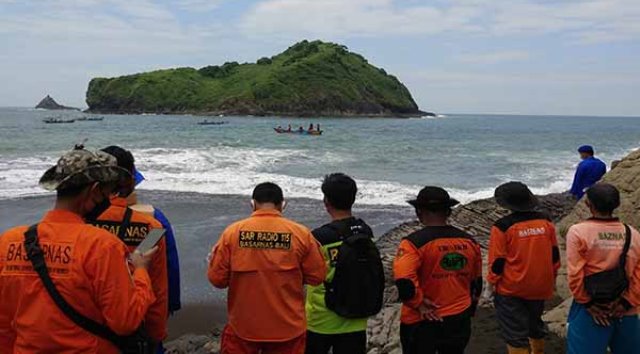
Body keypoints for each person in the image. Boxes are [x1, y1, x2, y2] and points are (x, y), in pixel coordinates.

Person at [0, 149, 157, 353]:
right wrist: (141, 272)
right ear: (93, 191)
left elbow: (4, 323)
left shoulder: (11, 241)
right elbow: (125, 321)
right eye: (108, 192)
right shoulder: (103, 245)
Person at [208, 182, 327, 354]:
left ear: (252, 204)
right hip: (288, 328)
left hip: (244, 328)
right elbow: (317, 276)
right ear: (282, 205)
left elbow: (217, 280)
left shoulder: (232, 233)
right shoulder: (301, 234)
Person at [90, 146, 169, 348]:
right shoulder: (153, 225)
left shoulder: (79, 220)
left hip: (85, 329)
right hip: (135, 324)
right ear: (131, 178)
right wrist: (156, 333)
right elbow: (158, 285)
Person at [394, 186, 482, 354]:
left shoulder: (413, 243)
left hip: (422, 320)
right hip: (459, 317)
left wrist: (418, 304)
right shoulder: (470, 242)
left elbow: (404, 282)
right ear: (448, 212)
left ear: (418, 212)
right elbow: (476, 281)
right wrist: (470, 309)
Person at [305, 173, 378, 354]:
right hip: (356, 317)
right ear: (353, 199)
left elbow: (307, 275)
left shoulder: (319, 238)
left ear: (326, 202)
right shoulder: (365, 232)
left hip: (321, 319)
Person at [486, 182, 561, 354]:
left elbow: (497, 262)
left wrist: (490, 285)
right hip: (541, 285)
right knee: (535, 324)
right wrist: (552, 278)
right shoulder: (545, 221)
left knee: (514, 332)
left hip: (512, 288)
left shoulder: (502, 226)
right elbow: (554, 254)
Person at [566, 183, 640, 354]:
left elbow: (575, 274)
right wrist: (626, 303)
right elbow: (638, 273)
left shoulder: (578, 232)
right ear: (617, 205)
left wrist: (588, 303)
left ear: (588, 204)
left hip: (592, 308)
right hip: (626, 309)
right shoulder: (633, 234)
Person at [128, 168, 182, 317]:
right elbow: (169, 261)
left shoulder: (86, 218)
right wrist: (172, 302)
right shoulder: (152, 219)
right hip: (144, 305)